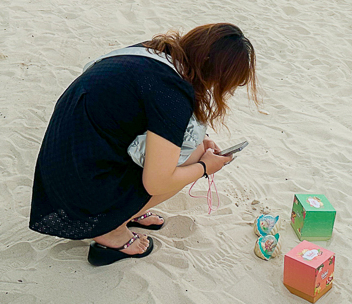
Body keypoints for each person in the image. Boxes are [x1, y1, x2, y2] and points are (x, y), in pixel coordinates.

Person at [29, 23, 258, 265]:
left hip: (64, 165)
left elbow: (138, 114)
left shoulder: (154, 54)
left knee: (196, 148)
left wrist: (200, 140)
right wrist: (204, 168)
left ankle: (126, 212)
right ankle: (111, 230)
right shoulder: (170, 92)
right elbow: (158, 181)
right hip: (79, 189)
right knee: (191, 159)